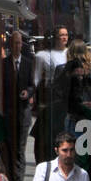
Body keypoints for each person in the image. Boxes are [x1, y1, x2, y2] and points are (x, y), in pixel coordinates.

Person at [56, 38, 91, 181]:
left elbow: (57, 94)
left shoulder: (63, 70)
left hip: (73, 120)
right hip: (90, 120)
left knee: (73, 157)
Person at [1, 30, 35, 181]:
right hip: (8, 113)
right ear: (10, 45)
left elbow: (32, 85)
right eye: (14, 43)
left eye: (20, 43)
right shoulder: (3, 64)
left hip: (23, 113)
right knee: (9, 149)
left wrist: (28, 93)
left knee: (20, 150)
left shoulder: (28, 63)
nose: (17, 46)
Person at [31, 27, 70, 165]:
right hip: (50, 98)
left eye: (66, 35)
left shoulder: (70, 54)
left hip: (66, 99)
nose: (64, 38)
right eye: (61, 35)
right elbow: (35, 78)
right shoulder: (43, 56)